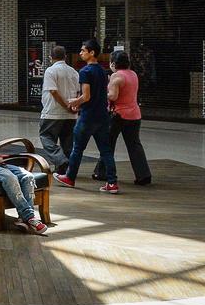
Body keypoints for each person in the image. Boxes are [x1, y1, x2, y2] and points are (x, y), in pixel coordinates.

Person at [55, 39, 119, 193]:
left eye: (83, 50)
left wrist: (75, 102)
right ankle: (112, 182)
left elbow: (86, 96)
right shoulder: (103, 71)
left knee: (77, 148)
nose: (81, 53)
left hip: (88, 116)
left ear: (92, 53)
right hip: (102, 116)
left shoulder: (85, 71)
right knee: (106, 150)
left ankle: (70, 177)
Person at [92, 50, 152, 186]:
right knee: (134, 145)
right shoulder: (133, 74)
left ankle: (102, 172)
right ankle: (143, 175)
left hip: (118, 115)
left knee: (108, 143)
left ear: (113, 63)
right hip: (135, 115)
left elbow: (113, 96)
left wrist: (101, 91)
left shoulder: (116, 76)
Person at [38, 46, 78, 174]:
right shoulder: (73, 72)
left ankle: (60, 161)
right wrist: (74, 106)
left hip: (52, 112)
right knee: (67, 142)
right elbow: (79, 92)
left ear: (50, 57)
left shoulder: (51, 71)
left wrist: (66, 105)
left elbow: (53, 91)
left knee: (46, 137)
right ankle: (66, 170)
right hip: (71, 115)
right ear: (65, 57)